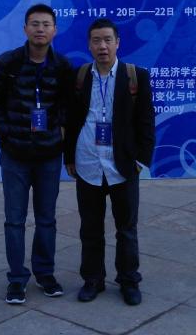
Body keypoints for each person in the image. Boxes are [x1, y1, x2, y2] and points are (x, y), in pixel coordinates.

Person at [0, 3, 73, 305]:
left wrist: (58, 133)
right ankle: (17, 279)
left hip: (49, 156)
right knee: (14, 220)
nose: (40, 29)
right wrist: (7, 133)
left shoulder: (63, 67)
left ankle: (45, 274)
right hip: (15, 156)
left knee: (47, 219)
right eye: (35, 23)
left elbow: (69, 105)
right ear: (25, 29)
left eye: (46, 24)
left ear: (55, 30)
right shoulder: (6, 64)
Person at [65, 18, 156, 306]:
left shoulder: (136, 76)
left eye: (107, 40)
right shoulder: (80, 77)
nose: (102, 46)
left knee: (126, 229)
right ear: (89, 45)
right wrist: (69, 157)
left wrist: (141, 161)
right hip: (88, 163)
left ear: (118, 43)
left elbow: (146, 122)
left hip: (123, 165)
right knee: (90, 228)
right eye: (96, 40)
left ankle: (129, 280)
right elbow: (71, 120)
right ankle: (93, 280)